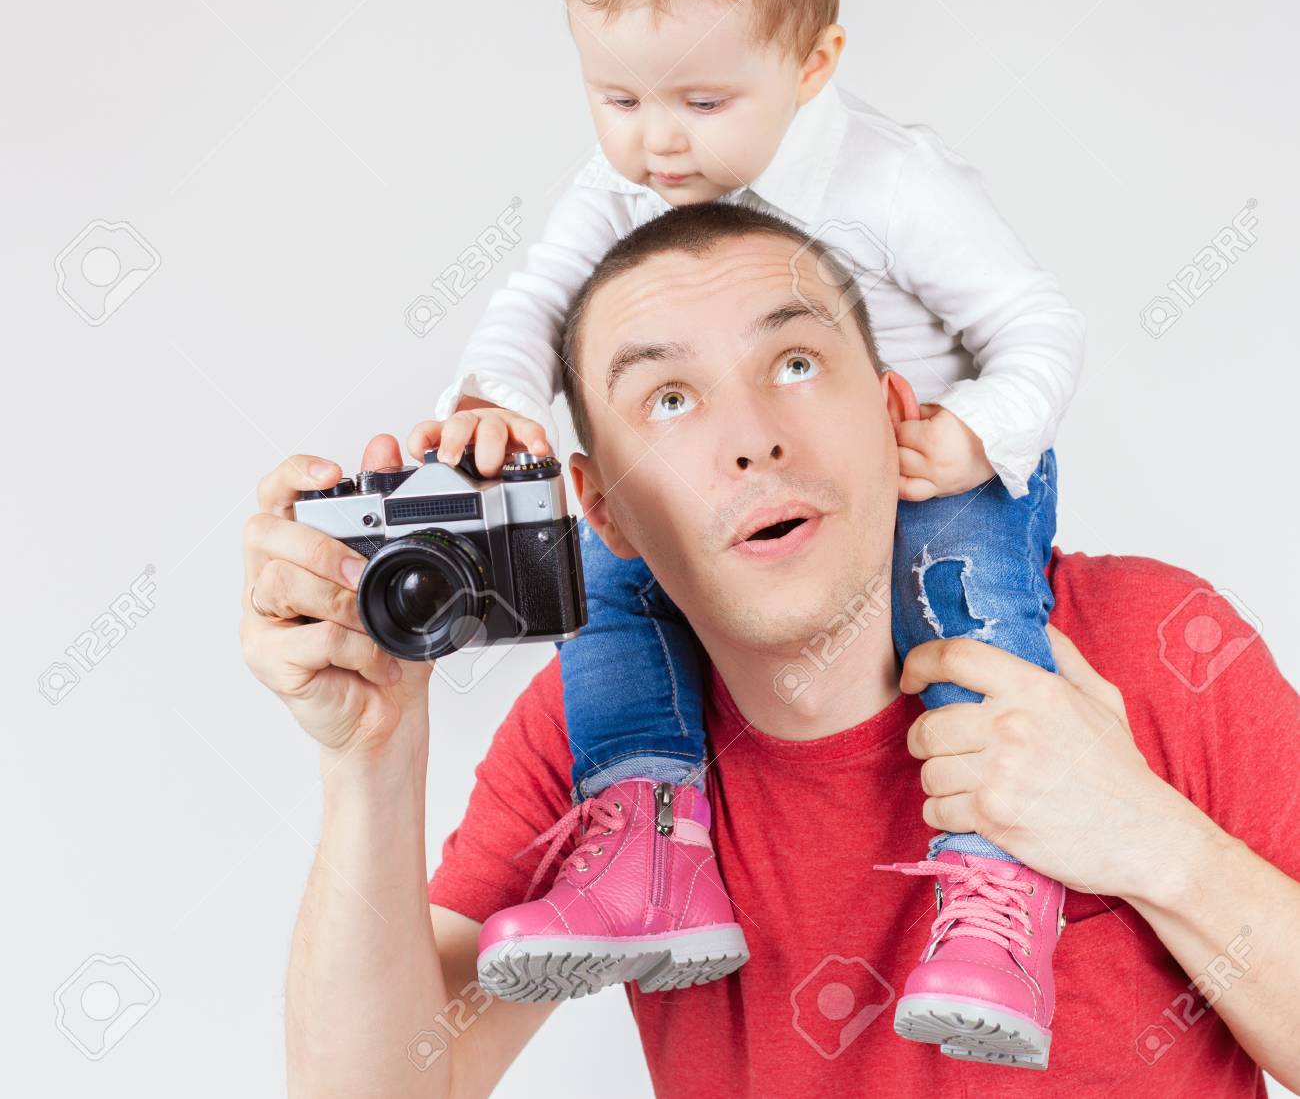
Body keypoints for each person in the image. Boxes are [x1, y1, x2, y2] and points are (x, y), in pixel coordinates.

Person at [242, 208, 1300, 1098]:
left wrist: (1153, 844)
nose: (750, 437)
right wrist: (369, 758)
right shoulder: (594, 735)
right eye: (668, 397)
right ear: (601, 510)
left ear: (895, 414)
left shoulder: (1144, 643)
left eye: (793, 363)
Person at [412, 0, 1085, 1063]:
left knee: (972, 629)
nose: (655, 144)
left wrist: (976, 433)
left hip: (929, 472)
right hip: (754, 506)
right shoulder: (625, 185)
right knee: (613, 591)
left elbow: (1036, 321)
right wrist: (495, 394)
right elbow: (533, 292)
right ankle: (650, 843)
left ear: (816, 63)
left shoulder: (890, 181)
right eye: (616, 101)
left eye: (700, 102)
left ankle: (998, 897)